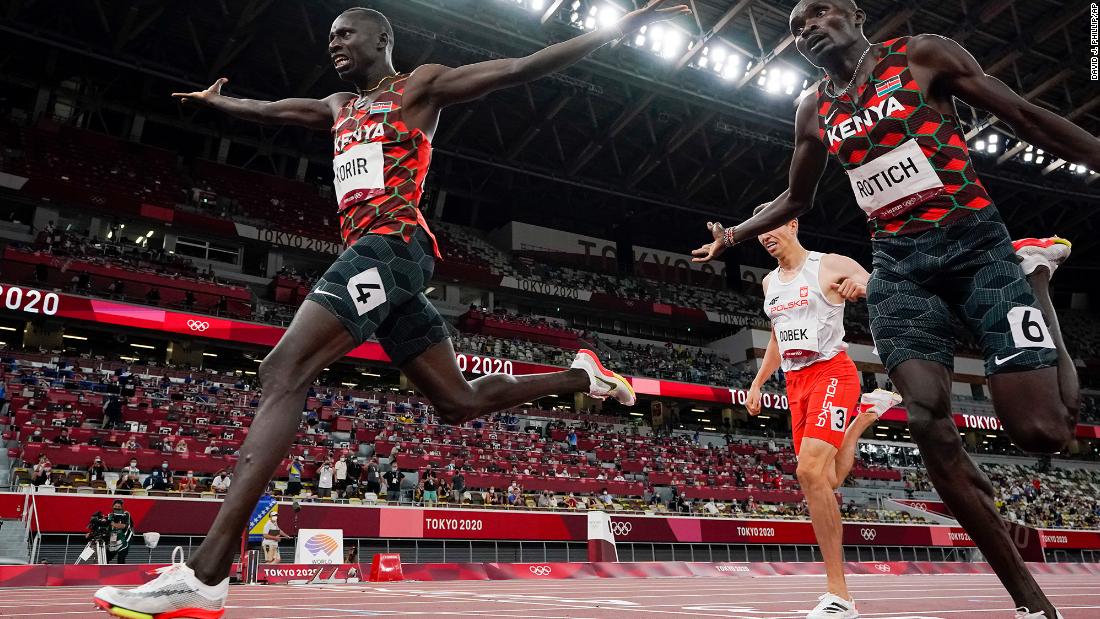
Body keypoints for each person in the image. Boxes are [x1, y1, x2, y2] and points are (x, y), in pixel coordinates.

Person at [94, 5, 684, 616]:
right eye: (329, 37)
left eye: (345, 33)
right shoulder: (338, 107)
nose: (334, 44)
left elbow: (521, 67)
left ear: (383, 38)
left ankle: (206, 571)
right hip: (382, 263)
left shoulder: (419, 86)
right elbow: (274, 111)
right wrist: (221, 103)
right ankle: (581, 375)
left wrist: (628, 22)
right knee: (458, 402)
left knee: (281, 371)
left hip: (394, 246)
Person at [691, 1, 1095, 616]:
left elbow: (1022, 115)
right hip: (900, 267)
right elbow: (797, 195)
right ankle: (1031, 604)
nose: (806, 27)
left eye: (819, 12)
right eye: (796, 25)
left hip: (977, 250)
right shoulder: (814, 108)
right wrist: (735, 236)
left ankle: (1036, 277)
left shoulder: (920, 57)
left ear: (854, 15)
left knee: (1044, 431)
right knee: (929, 424)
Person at [742, 201, 901, 615]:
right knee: (826, 479)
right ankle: (864, 416)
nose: (765, 235)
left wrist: (861, 288)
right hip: (796, 384)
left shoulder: (828, 265)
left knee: (808, 471)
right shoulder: (769, 284)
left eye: (772, 225)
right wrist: (758, 383)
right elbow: (777, 339)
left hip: (833, 372)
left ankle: (840, 595)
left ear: (792, 223)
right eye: (759, 231)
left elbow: (881, 286)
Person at [106, 500, 133, 564]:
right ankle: (105, 571)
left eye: (119, 506)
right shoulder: (110, 515)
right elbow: (106, 526)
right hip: (114, 535)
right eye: (115, 506)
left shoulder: (126, 514)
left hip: (126, 537)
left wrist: (112, 523)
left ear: (122, 507)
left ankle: (121, 571)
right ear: (112, 507)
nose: (117, 507)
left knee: (121, 557)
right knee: (107, 556)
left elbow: (124, 526)